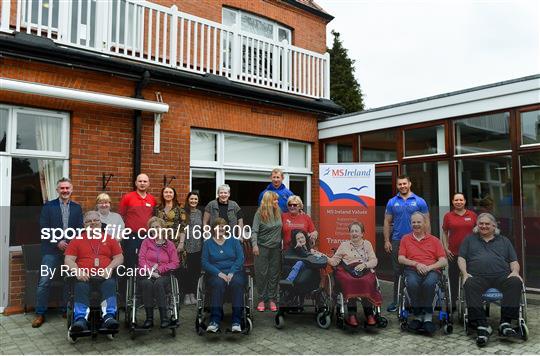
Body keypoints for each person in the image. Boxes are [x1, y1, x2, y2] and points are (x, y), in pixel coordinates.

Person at [458, 213, 523, 347]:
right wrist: (464, 273)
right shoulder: (469, 240)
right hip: (477, 277)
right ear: (477, 225)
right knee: (469, 283)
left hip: (501, 276)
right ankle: (482, 325)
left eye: (487, 224)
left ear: (494, 226)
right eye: (481, 223)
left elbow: (514, 261)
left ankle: (505, 323)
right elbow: (461, 258)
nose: (483, 226)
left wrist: (515, 271)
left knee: (516, 282)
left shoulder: (504, 241)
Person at [32, 177, 84, 328]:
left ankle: (64, 309)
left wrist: (72, 244)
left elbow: (80, 229)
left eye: (67, 188)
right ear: (57, 190)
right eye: (62, 188)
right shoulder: (48, 206)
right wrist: (58, 241)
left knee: (68, 280)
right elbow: (44, 227)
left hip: (70, 252)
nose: (65, 191)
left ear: (71, 190)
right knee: (44, 281)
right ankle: (40, 313)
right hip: (50, 250)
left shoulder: (76, 208)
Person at [64, 211, 123, 332]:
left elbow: (119, 257)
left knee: (110, 284)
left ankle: (108, 317)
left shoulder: (109, 238)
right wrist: (78, 271)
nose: (93, 223)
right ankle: (81, 319)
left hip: (104, 276)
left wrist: (110, 268)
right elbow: (68, 260)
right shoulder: (77, 240)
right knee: (80, 287)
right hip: (84, 277)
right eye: (89, 221)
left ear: (101, 223)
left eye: (96, 220)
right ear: (84, 225)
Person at [383, 174, 430, 312]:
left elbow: (426, 221)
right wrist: (387, 240)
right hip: (397, 241)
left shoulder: (419, 201)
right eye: (400, 184)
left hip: (417, 241)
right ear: (397, 186)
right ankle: (397, 301)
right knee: (397, 272)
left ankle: (416, 301)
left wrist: (428, 240)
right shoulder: (392, 202)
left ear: (409, 184)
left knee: (417, 270)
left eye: (405, 183)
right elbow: (387, 222)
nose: (402, 186)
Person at [398, 212, 447, 336]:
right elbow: (401, 258)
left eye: (419, 222)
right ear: (410, 224)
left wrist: (429, 267)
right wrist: (416, 264)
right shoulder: (405, 239)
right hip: (412, 270)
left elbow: (443, 260)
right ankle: (418, 316)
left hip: (431, 270)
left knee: (429, 283)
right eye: (413, 222)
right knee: (413, 283)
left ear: (425, 223)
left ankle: (428, 318)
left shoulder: (434, 240)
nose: (416, 224)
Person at [328, 222, 381, 327]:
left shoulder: (367, 244)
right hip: (348, 271)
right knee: (350, 281)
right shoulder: (344, 245)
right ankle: (352, 316)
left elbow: (374, 261)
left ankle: (369, 315)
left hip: (364, 269)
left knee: (365, 281)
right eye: (352, 231)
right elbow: (334, 262)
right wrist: (323, 257)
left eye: (357, 231)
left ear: (362, 234)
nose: (354, 233)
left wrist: (365, 265)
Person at [201, 218, 245, 333]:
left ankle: (236, 321)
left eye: (222, 226)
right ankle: (215, 320)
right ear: (213, 229)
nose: (220, 229)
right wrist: (219, 273)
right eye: (217, 227)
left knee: (237, 283)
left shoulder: (234, 241)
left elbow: (240, 258)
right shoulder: (208, 243)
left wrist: (231, 272)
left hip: (233, 272)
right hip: (216, 273)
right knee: (218, 283)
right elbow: (204, 262)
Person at [138, 217, 180, 329]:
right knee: (147, 284)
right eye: (152, 227)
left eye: (157, 227)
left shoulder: (169, 244)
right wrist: (150, 271)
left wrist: (160, 269)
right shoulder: (146, 242)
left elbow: (175, 263)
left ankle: (164, 318)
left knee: (158, 283)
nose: (154, 229)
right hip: (147, 273)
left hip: (163, 275)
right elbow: (141, 259)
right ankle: (149, 318)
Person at [441, 192, 477, 309]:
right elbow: (445, 233)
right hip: (454, 253)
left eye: (461, 200)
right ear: (452, 202)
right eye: (456, 200)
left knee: (471, 277)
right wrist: (446, 248)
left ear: (465, 201)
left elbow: (478, 232)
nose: (458, 202)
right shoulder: (448, 216)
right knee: (453, 278)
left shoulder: (472, 215)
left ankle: (471, 301)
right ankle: (453, 302)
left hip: (471, 253)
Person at [252, 191, 282, 312]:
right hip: (262, 247)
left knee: (274, 273)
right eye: (275, 200)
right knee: (261, 274)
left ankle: (272, 299)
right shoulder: (259, 213)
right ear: (269, 201)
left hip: (276, 248)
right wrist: (254, 245)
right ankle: (261, 299)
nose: (277, 202)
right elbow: (254, 231)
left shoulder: (278, 211)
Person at [119, 173, 156, 268]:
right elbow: (121, 216)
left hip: (148, 235)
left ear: (148, 184)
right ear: (136, 183)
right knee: (130, 260)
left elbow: (153, 217)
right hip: (131, 235)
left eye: (145, 181)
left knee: (147, 260)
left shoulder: (152, 199)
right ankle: (129, 281)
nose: (142, 183)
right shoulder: (127, 197)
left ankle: (143, 280)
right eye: (140, 181)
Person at [281, 230, 326, 297]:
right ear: (295, 240)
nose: (300, 240)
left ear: (305, 237)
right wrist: (299, 248)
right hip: (297, 268)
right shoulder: (295, 247)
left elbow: (308, 256)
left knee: (301, 263)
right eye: (298, 239)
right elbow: (302, 256)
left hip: (308, 270)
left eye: (302, 237)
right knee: (299, 262)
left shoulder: (308, 248)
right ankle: (289, 280)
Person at [178, 191, 203, 305]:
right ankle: (186, 295)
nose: (193, 201)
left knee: (195, 271)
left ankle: (193, 293)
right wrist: (181, 243)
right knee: (186, 271)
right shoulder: (183, 212)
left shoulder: (200, 213)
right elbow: (181, 228)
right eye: (191, 199)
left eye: (195, 199)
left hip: (198, 246)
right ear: (188, 200)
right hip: (186, 246)